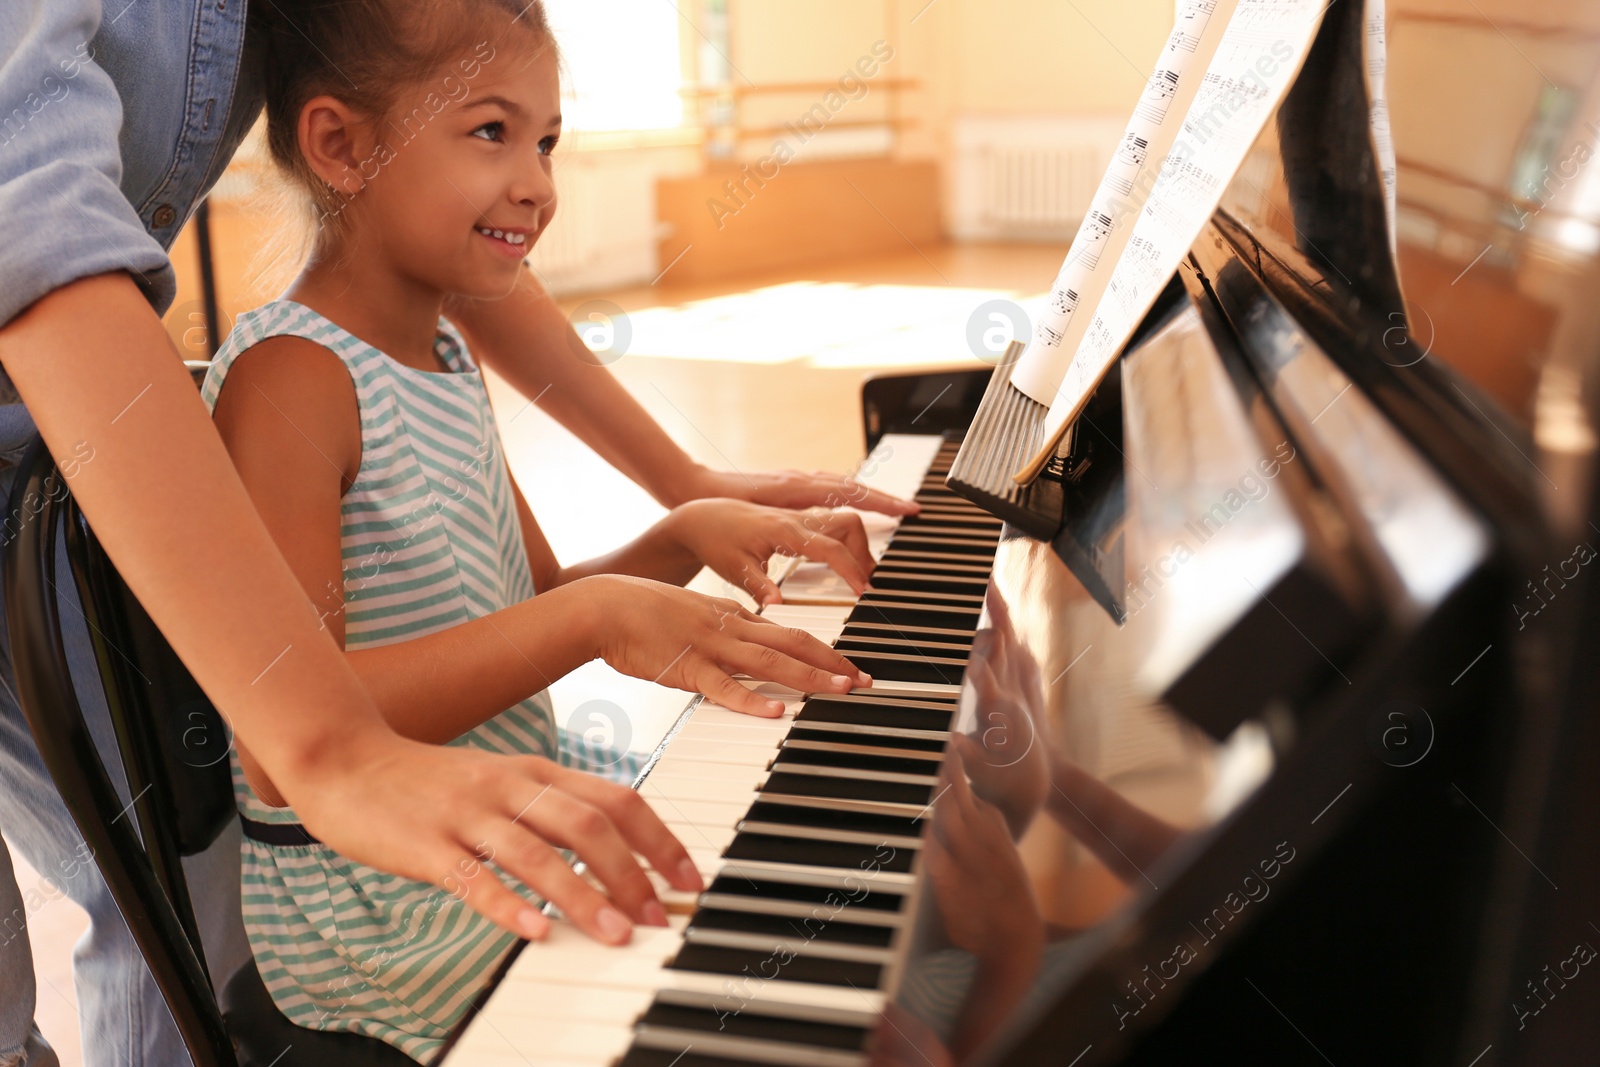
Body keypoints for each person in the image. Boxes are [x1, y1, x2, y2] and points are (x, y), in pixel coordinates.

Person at [0, 1, 914, 1064]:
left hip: (473, 815)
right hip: (373, 908)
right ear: (339, 145)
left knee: (828, 939)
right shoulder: (292, 381)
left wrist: (680, 525)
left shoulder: (441, 354)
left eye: (548, 142)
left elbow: (533, 603)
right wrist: (593, 615)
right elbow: (301, 725)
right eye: (492, 133)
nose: (538, 181)